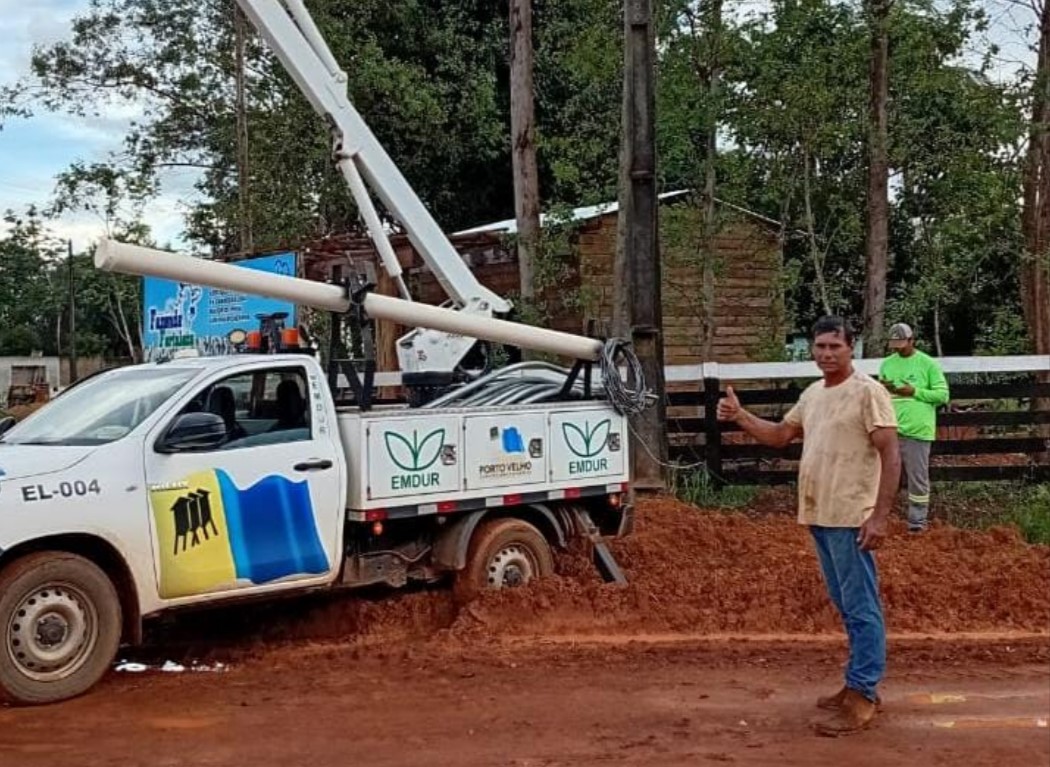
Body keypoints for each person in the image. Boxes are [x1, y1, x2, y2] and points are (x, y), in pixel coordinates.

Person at [717, 316, 901, 736]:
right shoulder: (814, 394)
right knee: (846, 603)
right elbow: (781, 435)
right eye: (819, 346)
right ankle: (856, 684)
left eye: (835, 346)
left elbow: (891, 455)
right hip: (820, 515)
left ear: (851, 348)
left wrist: (880, 517)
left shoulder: (868, 393)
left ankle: (864, 695)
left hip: (851, 517)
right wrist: (740, 416)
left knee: (861, 607)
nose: (826, 354)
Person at [878, 322, 949, 532]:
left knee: (918, 477)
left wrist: (914, 392)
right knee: (884, 476)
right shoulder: (887, 364)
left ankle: (917, 522)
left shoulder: (927, 364)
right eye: (895, 344)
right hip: (891, 429)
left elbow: (942, 395)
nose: (898, 348)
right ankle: (882, 518)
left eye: (902, 343)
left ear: (912, 341)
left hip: (917, 430)